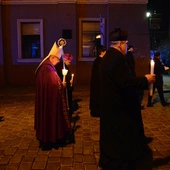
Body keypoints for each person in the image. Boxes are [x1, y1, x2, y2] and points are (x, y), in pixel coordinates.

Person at [99, 27, 156, 170]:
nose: (126, 47)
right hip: (119, 106)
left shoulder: (107, 56)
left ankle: (109, 159)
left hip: (109, 105)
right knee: (120, 136)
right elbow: (126, 82)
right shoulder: (118, 59)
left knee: (110, 136)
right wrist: (145, 79)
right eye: (126, 43)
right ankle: (119, 161)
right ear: (120, 44)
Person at [34, 42, 72, 151]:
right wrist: (62, 84)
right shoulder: (47, 69)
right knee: (50, 117)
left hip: (47, 99)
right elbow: (54, 85)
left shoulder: (46, 67)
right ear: (52, 57)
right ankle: (50, 137)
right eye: (57, 59)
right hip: (50, 101)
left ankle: (47, 136)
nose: (58, 62)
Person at [89, 45, 106, 117]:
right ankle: (97, 112)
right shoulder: (100, 61)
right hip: (98, 83)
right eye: (105, 52)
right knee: (98, 97)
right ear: (102, 52)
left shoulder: (98, 60)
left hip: (96, 82)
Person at [126, 45, 144, 110]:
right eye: (132, 48)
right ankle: (136, 105)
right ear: (130, 49)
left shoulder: (127, 55)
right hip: (131, 76)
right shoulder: (129, 56)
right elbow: (131, 67)